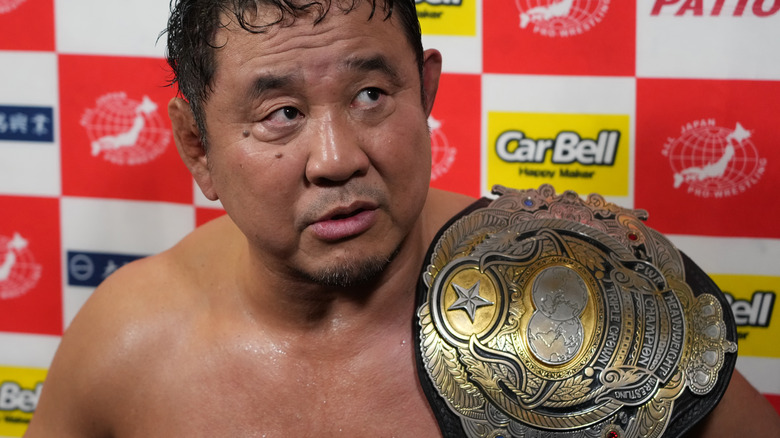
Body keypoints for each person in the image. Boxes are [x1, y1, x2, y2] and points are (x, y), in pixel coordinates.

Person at [24, 1, 780, 436]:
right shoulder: (126, 342)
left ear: (425, 91)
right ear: (199, 146)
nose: (336, 158)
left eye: (371, 97)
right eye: (281, 115)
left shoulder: (582, 297)